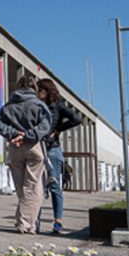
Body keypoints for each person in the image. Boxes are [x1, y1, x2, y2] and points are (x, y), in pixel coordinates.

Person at [0, 75, 52, 234]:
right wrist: (28, 135)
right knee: (33, 187)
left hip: (15, 147)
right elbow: (46, 126)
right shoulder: (39, 105)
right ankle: (26, 224)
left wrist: (14, 134)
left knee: (21, 189)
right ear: (34, 87)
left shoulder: (7, 106)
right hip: (33, 146)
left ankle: (27, 222)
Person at [37, 78, 82, 234]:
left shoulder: (58, 105)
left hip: (52, 149)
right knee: (36, 187)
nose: (37, 93)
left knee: (55, 186)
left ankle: (58, 221)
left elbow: (77, 119)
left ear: (47, 91)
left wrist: (59, 129)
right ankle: (34, 220)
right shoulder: (37, 106)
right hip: (38, 149)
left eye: (40, 90)